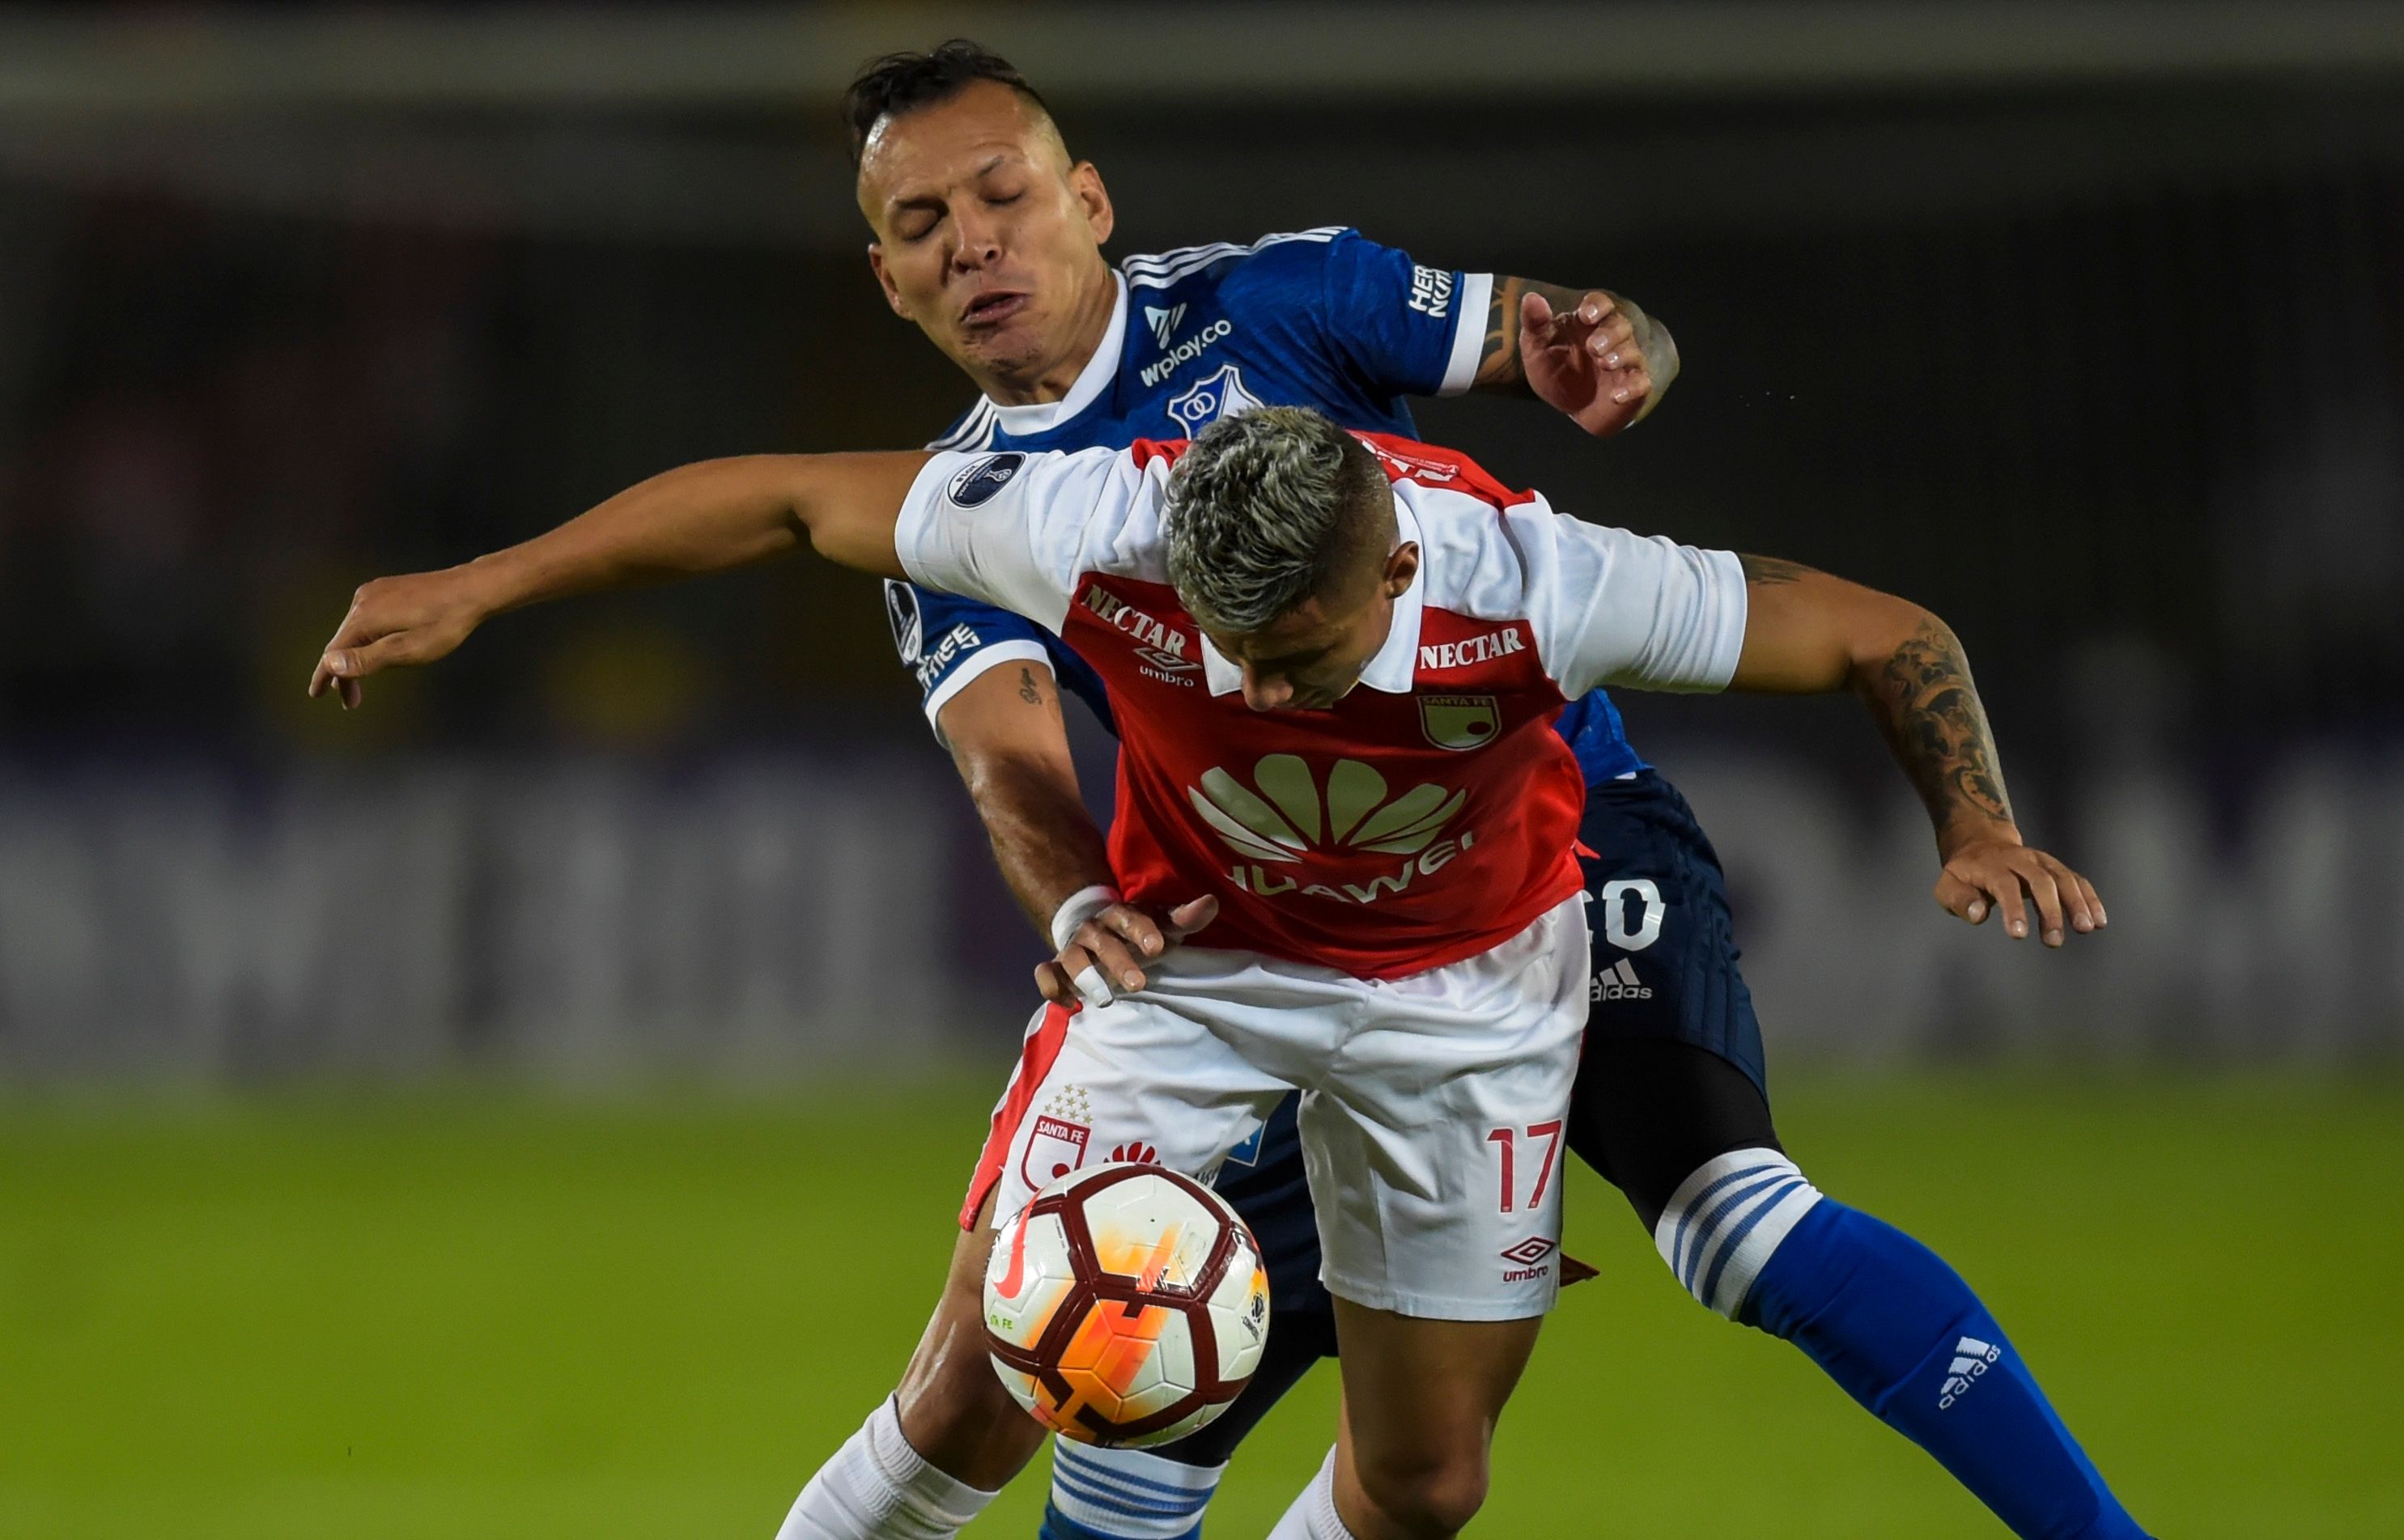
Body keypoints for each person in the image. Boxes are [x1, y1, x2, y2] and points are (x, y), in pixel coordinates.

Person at [307, 405, 2136, 1540]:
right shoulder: (1098, 524)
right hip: (1193, 976)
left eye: (1303, 650)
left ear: (1395, 565)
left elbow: (1887, 634)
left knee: (1427, 1484)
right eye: (1233, 650)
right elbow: (796, 500)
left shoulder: (1539, 578)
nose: (1256, 690)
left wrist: (1973, 820)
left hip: (1472, 1003)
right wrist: (490, 581)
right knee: (1044, 1356)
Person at [833, 40, 2145, 1540]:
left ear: (1086, 198)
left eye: (998, 195)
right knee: (1146, 1405)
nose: (974, 242)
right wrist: (1078, 898)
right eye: (924, 226)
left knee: (1734, 1224)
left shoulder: (1273, 301)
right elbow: (1010, 761)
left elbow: (1569, 336)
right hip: (1299, 927)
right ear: (890, 278)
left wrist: (1620, 346)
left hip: (1571, 840)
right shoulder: (967, 515)